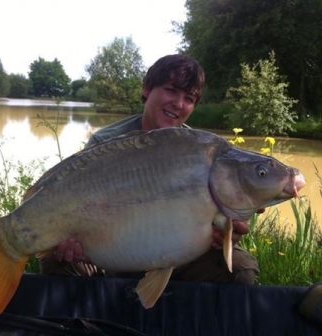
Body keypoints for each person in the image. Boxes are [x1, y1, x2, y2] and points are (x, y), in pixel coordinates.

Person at [39, 54, 259, 284]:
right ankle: (86, 318)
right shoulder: (105, 144)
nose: (179, 103)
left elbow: (220, 222)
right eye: (171, 90)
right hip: (112, 249)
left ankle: (184, 317)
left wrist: (225, 234)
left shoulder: (200, 154)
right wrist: (74, 239)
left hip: (178, 251)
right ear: (146, 89)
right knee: (55, 258)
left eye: (189, 98)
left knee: (240, 268)